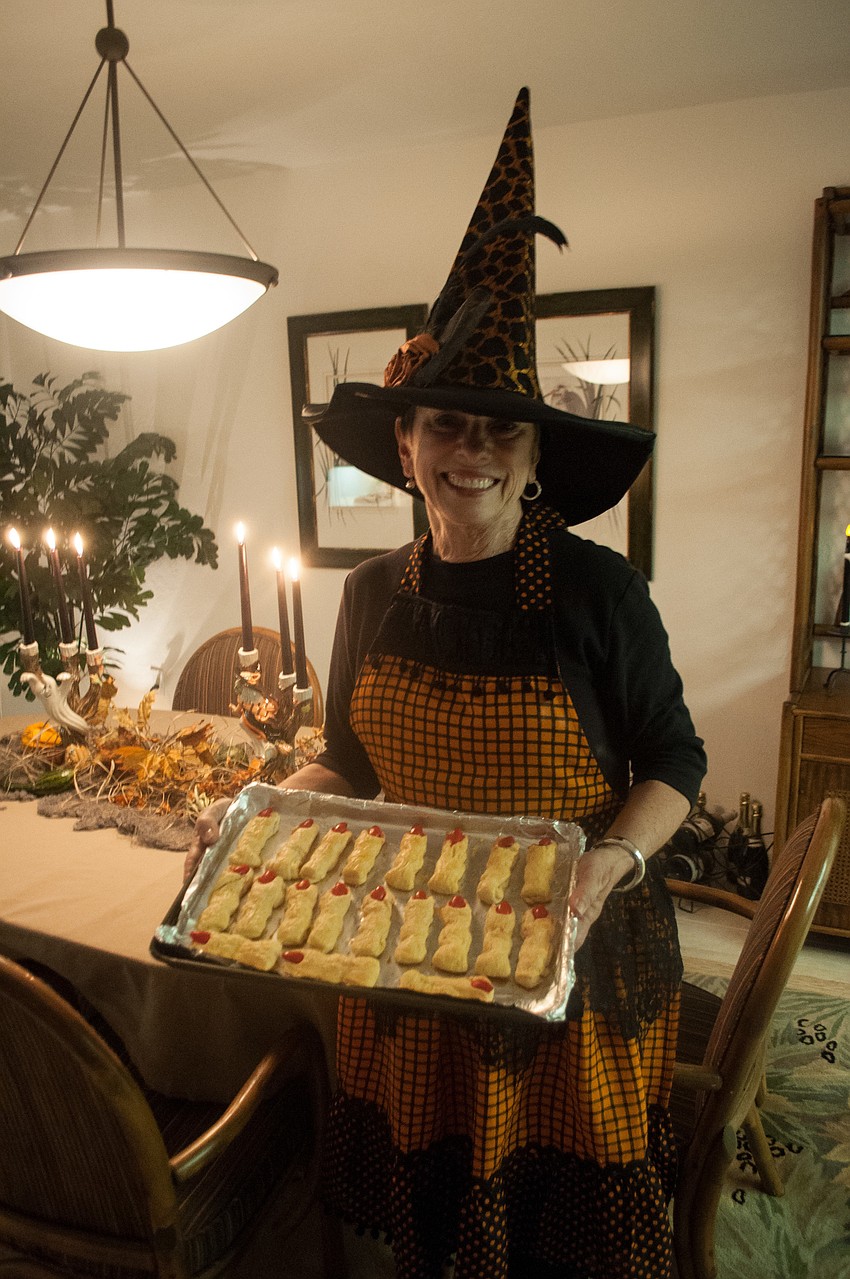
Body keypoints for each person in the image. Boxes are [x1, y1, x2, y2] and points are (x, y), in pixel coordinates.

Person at [187, 87, 705, 1279]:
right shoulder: (370, 591)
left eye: (498, 435)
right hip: (405, 932)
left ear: (532, 462)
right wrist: (261, 813)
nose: (467, 453)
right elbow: (353, 762)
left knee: (559, 1225)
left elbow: (674, 762)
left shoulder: (597, 594)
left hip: (570, 937)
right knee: (433, 1211)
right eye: (443, 427)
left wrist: (600, 867)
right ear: (407, 443)